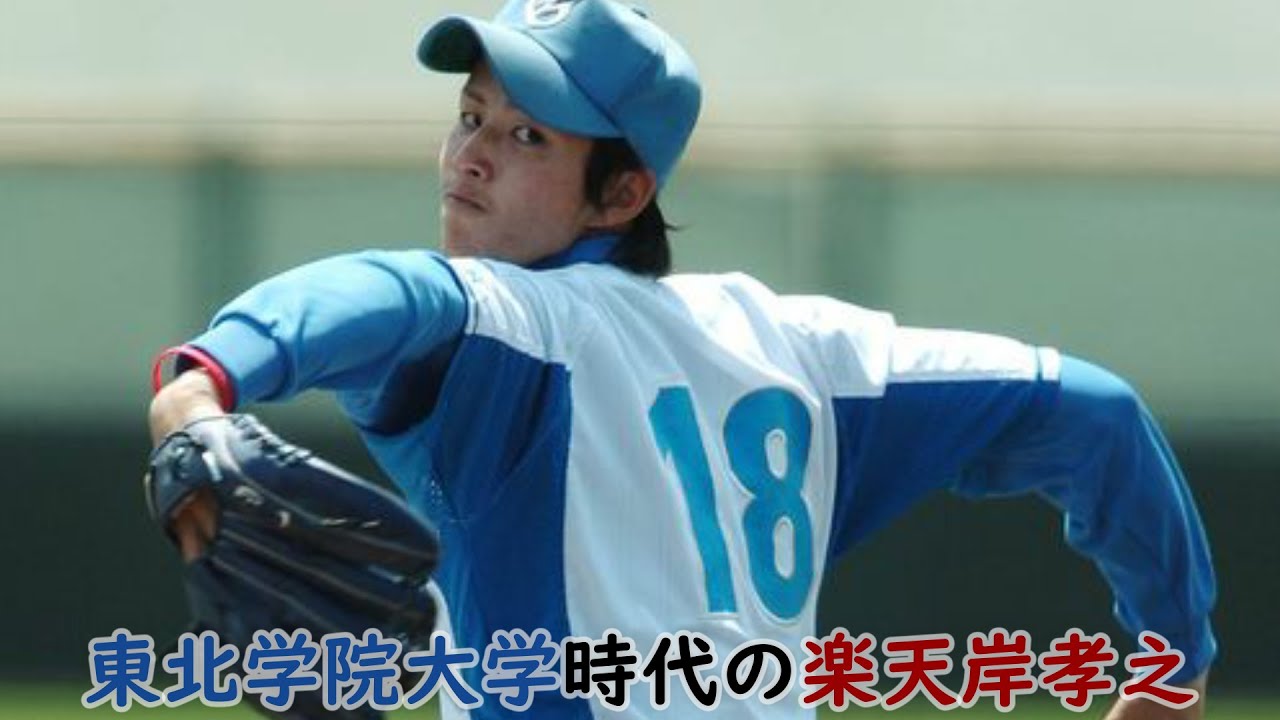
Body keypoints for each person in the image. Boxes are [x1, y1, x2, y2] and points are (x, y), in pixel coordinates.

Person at [148, 0, 1215, 717]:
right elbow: (1095, 412)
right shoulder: (809, 350)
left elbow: (388, 293)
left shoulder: (518, 327)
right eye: (470, 115)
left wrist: (208, 380)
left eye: (528, 136)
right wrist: (1171, 661)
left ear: (623, 193)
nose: (469, 156)